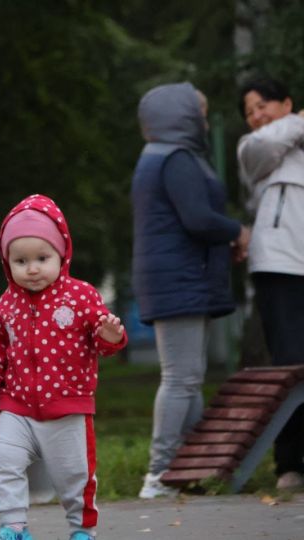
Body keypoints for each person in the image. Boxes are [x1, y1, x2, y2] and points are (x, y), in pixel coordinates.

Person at [0, 194, 127, 540]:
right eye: (21, 260)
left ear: (62, 255)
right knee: (5, 465)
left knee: (75, 475)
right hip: (17, 405)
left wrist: (112, 336)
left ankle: (82, 529)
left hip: (67, 406)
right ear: (6, 261)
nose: (33, 268)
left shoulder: (81, 296)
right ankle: (13, 526)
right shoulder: (7, 303)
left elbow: (103, 342)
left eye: (42, 258)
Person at [130, 82, 250, 499]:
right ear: (178, 115)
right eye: (198, 112)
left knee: (188, 378)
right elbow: (198, 218)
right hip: (178, 278)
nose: (202, 119)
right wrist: (237, 230)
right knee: (181, 377)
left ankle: (187, 469)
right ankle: (160, 472)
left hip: (176, 277)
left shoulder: (160, 156)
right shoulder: (176, 159)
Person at [237, 77, 304, 491]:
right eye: (250, 111)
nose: (257, 116)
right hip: (279, 266)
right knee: (291, 364)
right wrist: (299, 122)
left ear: (286, 102)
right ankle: (289, 463)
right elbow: (261, 147)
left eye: (264, 105)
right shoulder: (253, 150)